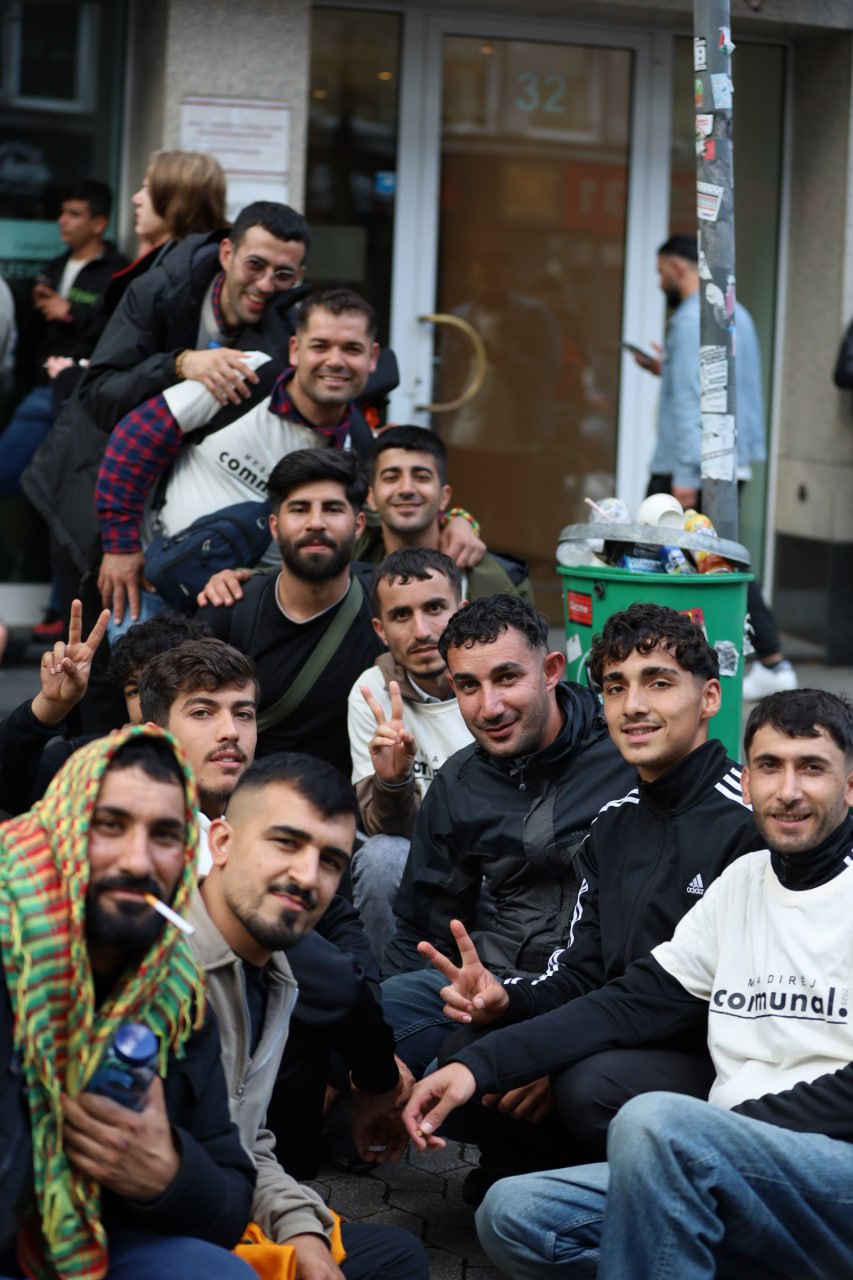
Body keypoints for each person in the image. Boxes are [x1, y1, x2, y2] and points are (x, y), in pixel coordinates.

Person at [403, 689, 853, 1280]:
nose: (787, 790)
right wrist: (476, 1067)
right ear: (747, 784)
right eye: (770, 766)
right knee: (514, 1213)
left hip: (828, 1172)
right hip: (715, 1166)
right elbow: (627, 1003)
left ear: (850, 785)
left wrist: (720, 1135)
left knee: (653, 1122)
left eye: (812, 768)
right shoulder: (743, 882)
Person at [417, 603, 760, 1200]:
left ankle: (645, 1198)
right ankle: (542, 1175)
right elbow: (579, 972)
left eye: (658, 683)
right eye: (615, 687)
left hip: (713, 1057)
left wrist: (557, 1052)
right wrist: (507, 999)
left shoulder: (747, 821)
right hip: (619, 1029)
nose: (634, 706)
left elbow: (683, 1003)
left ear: (709, 697)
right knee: (461, 1049)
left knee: (585, 1083)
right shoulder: (614, 824)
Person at [22, 199, 311, 731]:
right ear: (227, 253)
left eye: (284, 274)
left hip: (177, 528)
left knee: (164, 679)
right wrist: (181, 364)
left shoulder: (286, 327)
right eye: (255, 264)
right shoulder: (161, 288)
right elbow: (99, 393)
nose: (267, 284)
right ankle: (79, 774)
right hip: (93, 481)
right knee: (93, 671)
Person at [0, 724, 256, 1278]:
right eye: (109, 825)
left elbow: (232, 1197)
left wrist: (168, 1174)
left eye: (164, 835)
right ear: (64, 826)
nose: (137, 862)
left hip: (97, 1242)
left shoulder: (174, 989)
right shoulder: (8, 937)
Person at [190, 752, 429, 1279]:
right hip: (129, 1238)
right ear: (221, 843)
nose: (307, 876)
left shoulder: (277, 979)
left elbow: (242, 1141)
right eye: (285, 843)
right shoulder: (161, 963)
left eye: (330, 861)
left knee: (397, 1257)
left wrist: (302, 1233)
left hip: (218, 1210)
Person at [380, 594, 635, 1074]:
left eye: (507, 678)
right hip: (498, 979)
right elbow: (422, 929)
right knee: (365, 1025)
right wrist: (378, 1056)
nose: (489, 707)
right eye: (468, 686)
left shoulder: (626, 753)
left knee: (460, 1070)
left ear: (551, 670)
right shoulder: (459, 784)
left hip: (601, 989)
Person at [95, 287, 380, 628]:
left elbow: (395, 520)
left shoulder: (360, 448)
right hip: (151, 587)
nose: (335, 361)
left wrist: (455, 518)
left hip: (246, 614)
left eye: (351, 349)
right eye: (320, 346)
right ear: (295, 349)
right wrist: (120, 547)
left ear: (372, 357)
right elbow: (134, 441)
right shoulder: (243, 377)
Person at [635, 232, 796, 699]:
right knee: (718, 561)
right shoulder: (734, 313)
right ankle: (764, 660)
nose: (660, 282)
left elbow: (693, 399)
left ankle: (759, 660)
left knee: (679, 561)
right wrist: (667, 369)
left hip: (692, 465)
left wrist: (686, 475)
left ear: (678, 268)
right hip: (725, 459)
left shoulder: (691, 319)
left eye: (661, 272)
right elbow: (720, 385)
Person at [199, 448, 384, 775]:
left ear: (358, 525)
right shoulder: (229, 609)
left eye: (332, 509)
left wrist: (461, 522)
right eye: (299, 509)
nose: (316, 523)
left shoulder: (388, 605)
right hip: (248, 798)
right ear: (274, 526)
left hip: (355, 801)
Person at [347, 547, 473, 959]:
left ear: (462, 611)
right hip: (423, 862)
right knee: (381, 857)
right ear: (380, 630)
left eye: (435, 608)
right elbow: (382, 826)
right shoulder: (372, 692)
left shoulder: (495, 682)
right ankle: (385, 987)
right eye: (401, 615)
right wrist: (393, 781)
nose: (421, 631)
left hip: (500, 862)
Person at [0, 179, 127, 494]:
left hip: (82, 393)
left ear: (98, 224)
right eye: (62, 213)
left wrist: (69, 311)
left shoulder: (118, 273)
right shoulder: (55, 266)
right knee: (11, 471)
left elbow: (119, 333)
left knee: (65, 487)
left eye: (74, 214)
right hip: (42, 386)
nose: (62, 221)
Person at [357, 425, 533, 600]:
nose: (406, 489)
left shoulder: (507, 585)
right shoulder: (351, 566)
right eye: (391, 478)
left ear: (444, 496)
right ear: (371, 497)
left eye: (421, 477)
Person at [138, 639, 259, 873]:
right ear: (156, 737)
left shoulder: (271, 831)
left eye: (243, 714)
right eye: (202, 713)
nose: (231, 731)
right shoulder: (135, 849)